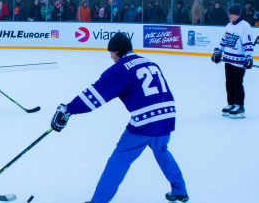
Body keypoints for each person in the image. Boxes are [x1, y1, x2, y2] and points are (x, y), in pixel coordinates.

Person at [50, 32, 189, 203]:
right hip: (168, 116)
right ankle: (180, 190)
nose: (111, 57)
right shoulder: (149, 62)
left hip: (146, 121)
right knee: (161, 150)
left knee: (119, 160)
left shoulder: (121, 69)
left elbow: (95, 95)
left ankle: (99, 201)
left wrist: (69, 109)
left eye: (111, 54)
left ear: (117, 51)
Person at [211, 4, 254, 118]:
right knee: (229, 82)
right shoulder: (229, 26)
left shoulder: (244, 26)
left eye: (230, 13)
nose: (228, 15)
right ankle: (231, 103)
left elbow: (248, 43)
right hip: (228, 60)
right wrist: (218, 51)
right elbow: (224, 41)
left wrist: (248, 56)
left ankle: (239, 106)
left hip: (239, 61)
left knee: (237, 83)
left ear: (236, 14)